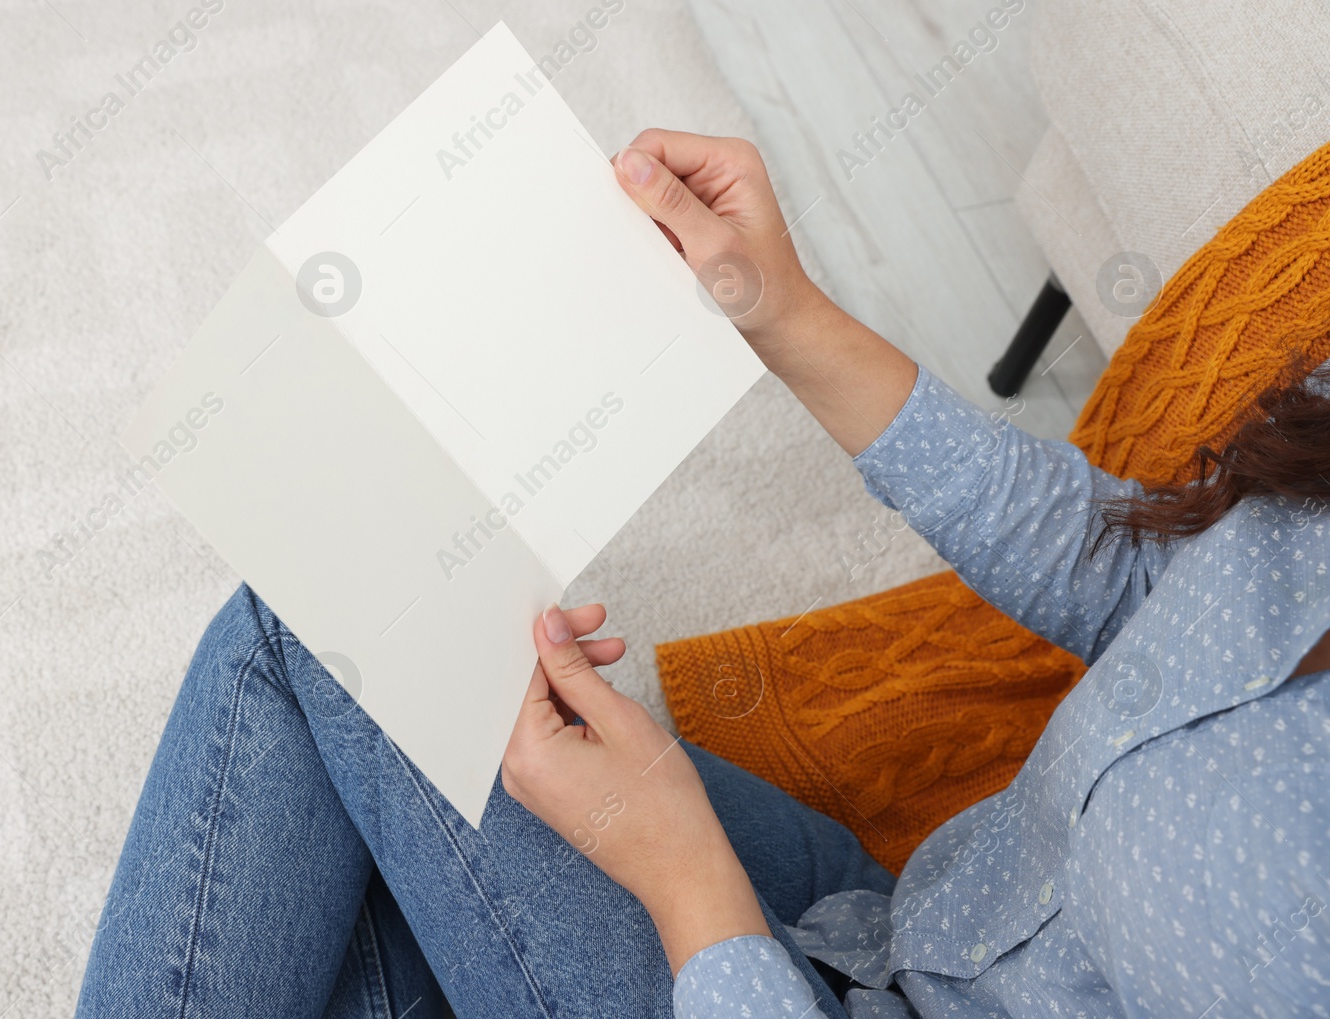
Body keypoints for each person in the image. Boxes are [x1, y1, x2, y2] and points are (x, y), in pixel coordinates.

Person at [74, 131, 1330, 1018]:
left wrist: (683, 879)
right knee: (387, 714)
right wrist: (776, 307)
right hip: (886, 925)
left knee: (329, 619)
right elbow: (1149, 586)